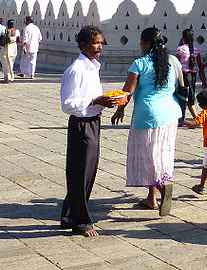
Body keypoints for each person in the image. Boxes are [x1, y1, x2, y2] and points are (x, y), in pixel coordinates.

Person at [60, 25, 121, 237]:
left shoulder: (92, 67)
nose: (99, 47)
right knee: (80, 174)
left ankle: (69, 216)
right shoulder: (76, 70)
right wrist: (95, 100)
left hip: (93, 122)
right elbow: (67, 104)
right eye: (96, 43)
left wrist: (105, 101)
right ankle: (82, 222)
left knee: (86, 172)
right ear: (84, 44)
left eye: (101, 43)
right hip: (81, 125)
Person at [112, 27, 180, 216]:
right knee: (162, 153)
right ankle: (152, 199)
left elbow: (127, 91)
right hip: (170, 113)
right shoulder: (173, 61)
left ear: (148, 43)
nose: (140, 45)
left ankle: (162, 186)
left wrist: (120, 109)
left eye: (141, 41)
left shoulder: (139, 63)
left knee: (148, 156)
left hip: (147, 115)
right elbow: (181, 86)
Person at [175, 28, 200, 122]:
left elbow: (177, 63)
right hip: (193, 75)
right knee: (190, 96)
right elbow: (199, 64)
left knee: (182, 97)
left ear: (182, 38)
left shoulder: (180, 49)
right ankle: (195, 118)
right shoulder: (196, 49)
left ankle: (183, 118)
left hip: (183, 75)